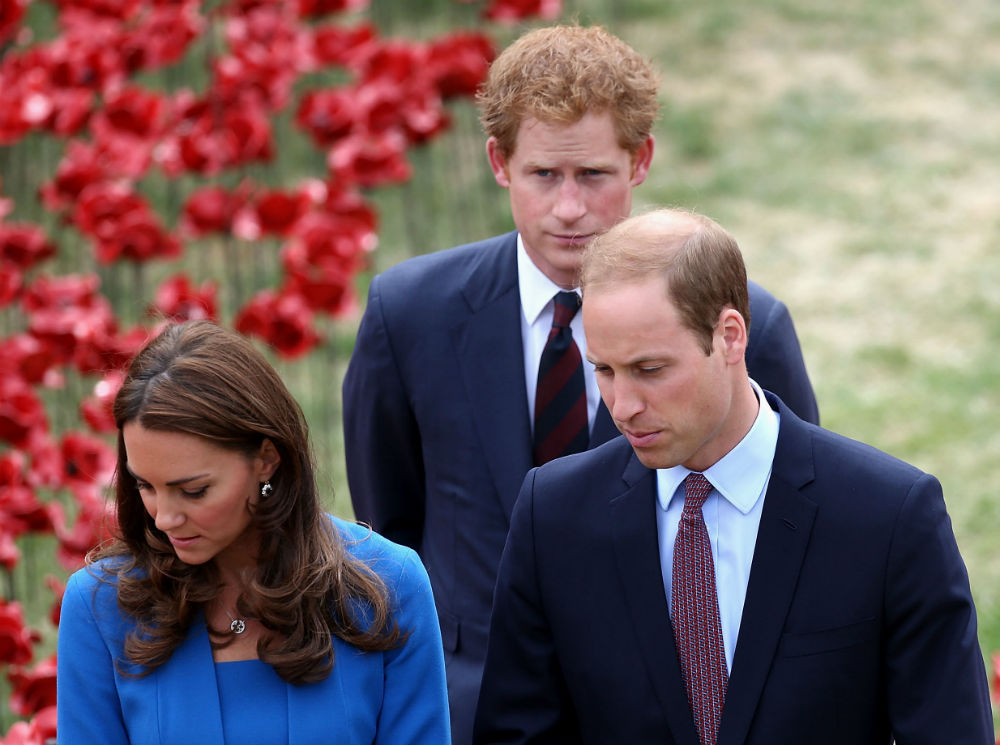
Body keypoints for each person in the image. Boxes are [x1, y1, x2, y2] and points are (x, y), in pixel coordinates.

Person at [342, 24, 819, 743]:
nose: (568, 209)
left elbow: (796, 524)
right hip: (466, 710)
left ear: (641, 161)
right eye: (544, 175)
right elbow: (389, 525)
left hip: (665, 707)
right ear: (499, 162)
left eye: (593, 175)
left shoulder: (746, 326)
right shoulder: (409, 314)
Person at [473, 208, 993, 745]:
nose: (622, 406)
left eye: (650, 370)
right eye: (603, 370)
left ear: (730, 336)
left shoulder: (889, 517)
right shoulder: (552, 516)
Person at [56, 320, 450, 745]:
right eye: (145, 486)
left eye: (193, 491)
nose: (165, 518)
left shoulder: (389, 585)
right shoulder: (100, 607)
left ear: (266, 459)